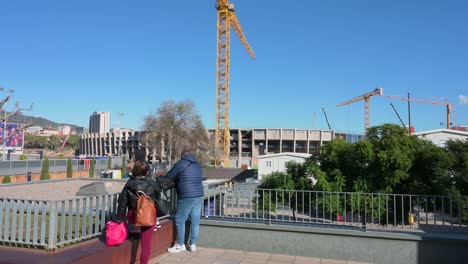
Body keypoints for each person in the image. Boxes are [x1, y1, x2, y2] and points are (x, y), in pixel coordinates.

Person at [157, 145, 204, 253]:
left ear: (182, 155)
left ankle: (180, 244)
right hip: (199, 194)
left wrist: (159, 177)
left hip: (187, 195)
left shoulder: (180, 164)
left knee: (179, 219)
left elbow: (169, 176)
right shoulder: (197, 165)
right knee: (195, 220)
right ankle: (192, 244)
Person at [116, 160, 159, 264]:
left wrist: (118, 219)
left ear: (135, 170)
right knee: (146, 244)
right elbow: (157, 201)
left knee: (134, 230)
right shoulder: (153, 184)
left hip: (133, 216)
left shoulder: (129, 184)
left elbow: (122, 203)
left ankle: (134, 233)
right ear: (147, 171)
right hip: (147, 216)